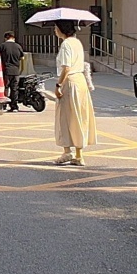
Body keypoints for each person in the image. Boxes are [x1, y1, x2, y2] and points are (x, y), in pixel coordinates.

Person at [50, 19, 97, 165]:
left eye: (56, 27)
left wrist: (58, 85)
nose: (54, 30)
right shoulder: (77, 42)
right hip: (80, 81)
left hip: (69, 82)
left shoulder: (66, 44)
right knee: (79, 116)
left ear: (61, 29)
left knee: (65, 117)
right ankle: (79, 155)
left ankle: (67, 152)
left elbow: (66, 68)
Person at [0, 31, 26, 112]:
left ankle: (3, 105)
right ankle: (14, 106)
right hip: (16, 71)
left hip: (6, 71)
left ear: (6, 38)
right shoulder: (18, 46)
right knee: (14, 89)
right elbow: (22, 58)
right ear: (13, 38)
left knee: (5, 88)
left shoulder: (2, 46)